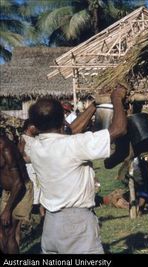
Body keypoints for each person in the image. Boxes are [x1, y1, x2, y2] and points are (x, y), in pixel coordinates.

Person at [27, 84, 127, 254]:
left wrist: (95, 105)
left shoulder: (34, 147)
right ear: (63, 120)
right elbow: (119, 129)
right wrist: (117, 98)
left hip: (51, 224)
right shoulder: (72, 145)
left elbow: (70, 132)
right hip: (76, 224)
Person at [0, 135, 33, 254]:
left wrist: (7, 210)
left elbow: (18, 183)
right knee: (2, 232)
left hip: (21, 190)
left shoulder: (5, 148)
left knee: (9, 231)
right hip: (7, 191)